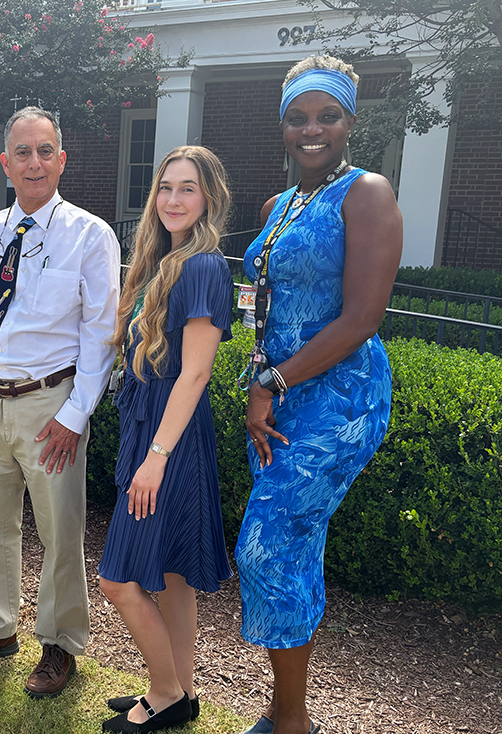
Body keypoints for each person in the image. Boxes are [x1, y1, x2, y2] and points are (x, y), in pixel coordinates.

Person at [234, 55, 402, 734]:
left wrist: (270, 381)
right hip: (278, 398)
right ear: (282, 125)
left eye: (326, 115)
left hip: (337, 398)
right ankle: (281, 712)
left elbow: (362, 318)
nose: (311, 129)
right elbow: (264, 299)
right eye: (297, 117)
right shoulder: (278, 205)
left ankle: (293, 723)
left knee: (265, 547)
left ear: (348, 121)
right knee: (292, 547)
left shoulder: (367, 194)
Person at [0, 107, 120, 698]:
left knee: (61, 533)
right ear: (5, 162)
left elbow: (100, 335)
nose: (35, 162)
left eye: (46, 151)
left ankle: (60, 645)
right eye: (24, 152)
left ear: (61, 160)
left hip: (52, 405)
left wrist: (76, 412)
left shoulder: (92, 236)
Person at [97, 146, 234, 734]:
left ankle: (164, 692)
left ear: (209, 198)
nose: (174, 200)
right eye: (166, 188)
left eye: (189, 189)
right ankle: (183, 688)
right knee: (173, 574)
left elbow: (195, 373)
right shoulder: (165, 261)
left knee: (117, 579)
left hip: (168, 442)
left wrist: (155, 457)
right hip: (152, 432)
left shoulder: (202, 265)